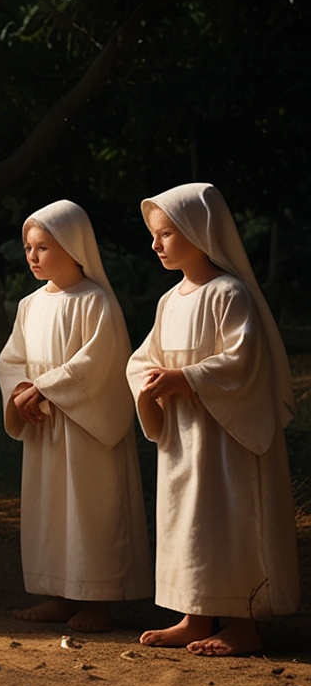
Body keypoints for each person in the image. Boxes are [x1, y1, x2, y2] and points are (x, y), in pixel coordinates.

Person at [127, 183, 300, 656]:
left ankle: (242, 622)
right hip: (184, 436)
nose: (156, 244)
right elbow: (142, 358)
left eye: (166, 234)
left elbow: (243, 362)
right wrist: (151, 379)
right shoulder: (170, 301)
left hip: (226, 438)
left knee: (229, 518)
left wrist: (185, 377)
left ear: (199, 232)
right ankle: (195, 614)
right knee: (190, 522)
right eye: (154, 235)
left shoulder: (229, 293)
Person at [0, 200, 152, 633]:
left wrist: (43, 389)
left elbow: (98, 363)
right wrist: (21, 393)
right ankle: (60, 596)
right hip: (46, 425)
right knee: (51, 511)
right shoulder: (29, 305)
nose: (32, 256)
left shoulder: (95, 301)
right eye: (28, 247)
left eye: (43, 247)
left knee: (87, 509)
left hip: (84, 428)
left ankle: (97, 602)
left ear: (72, 245)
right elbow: (12, 360)